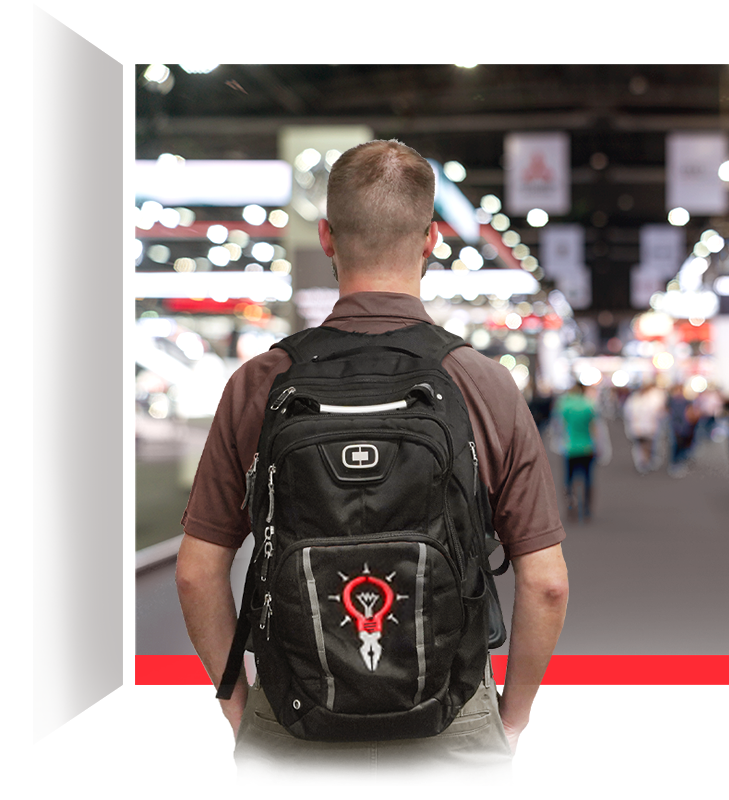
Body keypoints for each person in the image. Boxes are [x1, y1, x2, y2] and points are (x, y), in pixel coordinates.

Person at [174, 140, 569, 776]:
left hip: (291, 724)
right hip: (452, 719)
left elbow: (197, 572)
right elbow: (546, 583)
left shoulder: (260, 383)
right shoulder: (482, 385)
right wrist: (510, 718)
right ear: (431, 238)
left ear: (327, 237)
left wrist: (241, 704)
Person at [554, 380, 598, 520]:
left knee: (569, 478)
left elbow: (559, 427)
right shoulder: (588, 405)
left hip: (570, 447)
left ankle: (570, 504)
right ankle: (587, 507)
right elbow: (595, 428)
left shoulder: (565, 405)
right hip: (587, 446)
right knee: (587, 478)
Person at [623, 383, 664, 474]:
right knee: (641, 446)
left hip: (646, 427)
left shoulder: (644, 399)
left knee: (646, 445)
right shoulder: (635, 400)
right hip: (640, 427)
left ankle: (645, 461)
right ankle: (643, 462)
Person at [666, 384, 698, 477]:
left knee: (683, 444)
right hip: (674, 426)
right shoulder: (671, 401)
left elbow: (691, 413)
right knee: (675, 444)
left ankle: (680, 460)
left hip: (685, 426)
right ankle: (675, 462)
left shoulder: (687, 401)